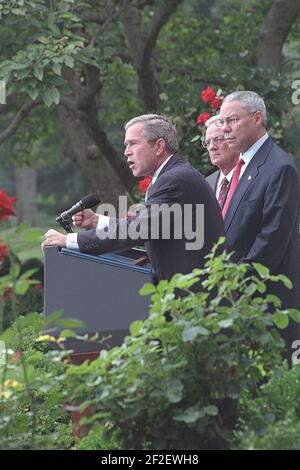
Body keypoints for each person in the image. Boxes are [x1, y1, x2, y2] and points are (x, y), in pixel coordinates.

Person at [42, 114, 224, 286]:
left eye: (133, 144)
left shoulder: (173, 180)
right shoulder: (170, 176)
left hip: (194, 298)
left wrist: (69, 241)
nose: (126, 152)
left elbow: (137, 230)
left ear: (159, 146)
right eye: (126, 145)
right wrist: (97, 221)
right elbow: (147, 227)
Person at [217, 90, 300, 355]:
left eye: (232, 120)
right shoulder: (241, 166)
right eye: (222, 122)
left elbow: (271, 240)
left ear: (257, 118)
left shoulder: (279, 167)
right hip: (236, 301)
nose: (225, 129)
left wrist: (233, 284)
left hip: (262, 302)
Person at [204, 115, 239, 208]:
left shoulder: (250, 178)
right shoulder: (206, 184)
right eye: (207, 143)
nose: (212, 147)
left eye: (218, 140)